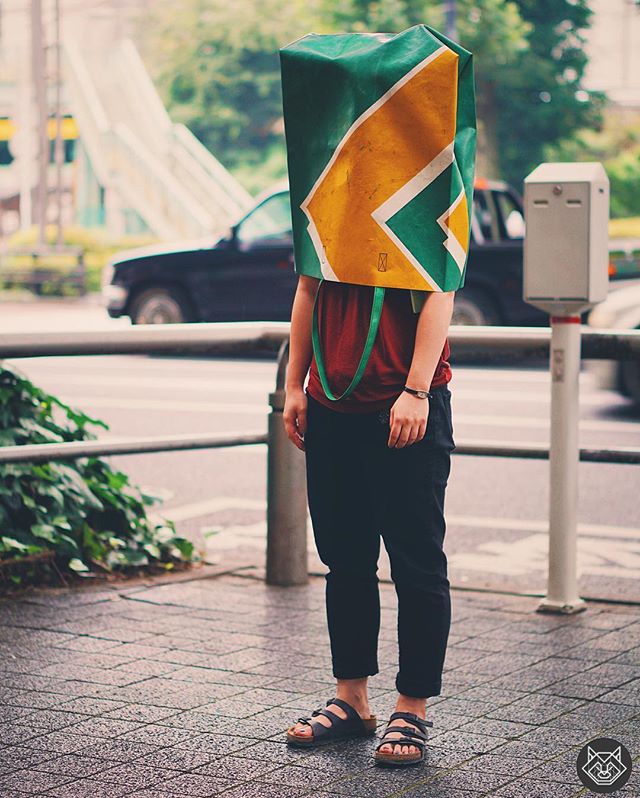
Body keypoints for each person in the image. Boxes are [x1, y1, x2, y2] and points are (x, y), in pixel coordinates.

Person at [282, 274, 457, 767]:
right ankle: (352, 698)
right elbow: (308, 291)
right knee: (345, 559)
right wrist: (295, 385)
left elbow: (440, 292)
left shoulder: (424, 194)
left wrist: (417, 390)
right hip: (330, 403)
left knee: (416, 561)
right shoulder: (330, 197)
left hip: (405, 402)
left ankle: (413, 706)